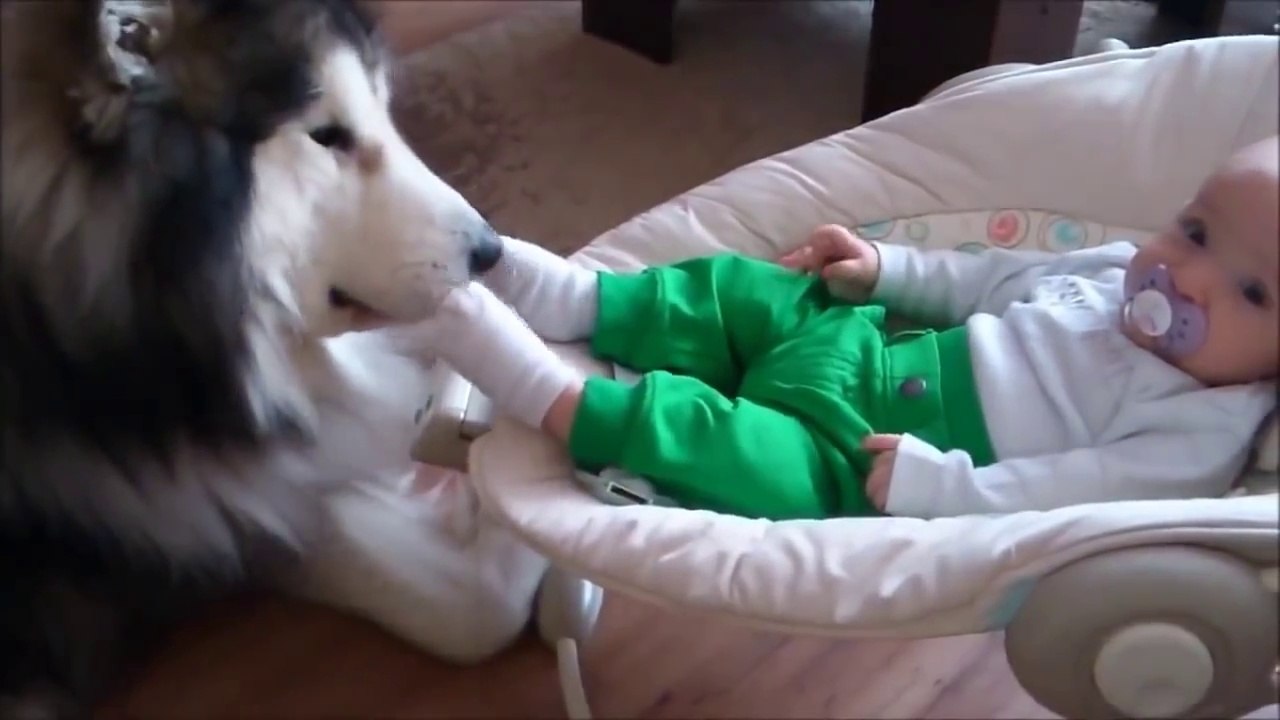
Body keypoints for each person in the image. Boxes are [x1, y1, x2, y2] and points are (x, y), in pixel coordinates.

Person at [406, 135, 1278, 520]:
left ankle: (541, 387)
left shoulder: (1197, 428)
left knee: (732, 453)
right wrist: (887, 270)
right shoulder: (1109, 270)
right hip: (867, 347)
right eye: (1195, 232)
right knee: (748, 290)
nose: (1188, 278)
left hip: (865, 461)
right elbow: (989, 279)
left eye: (1250, 292)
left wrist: (946, 489)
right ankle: (580, 300)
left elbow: (1073, 497)